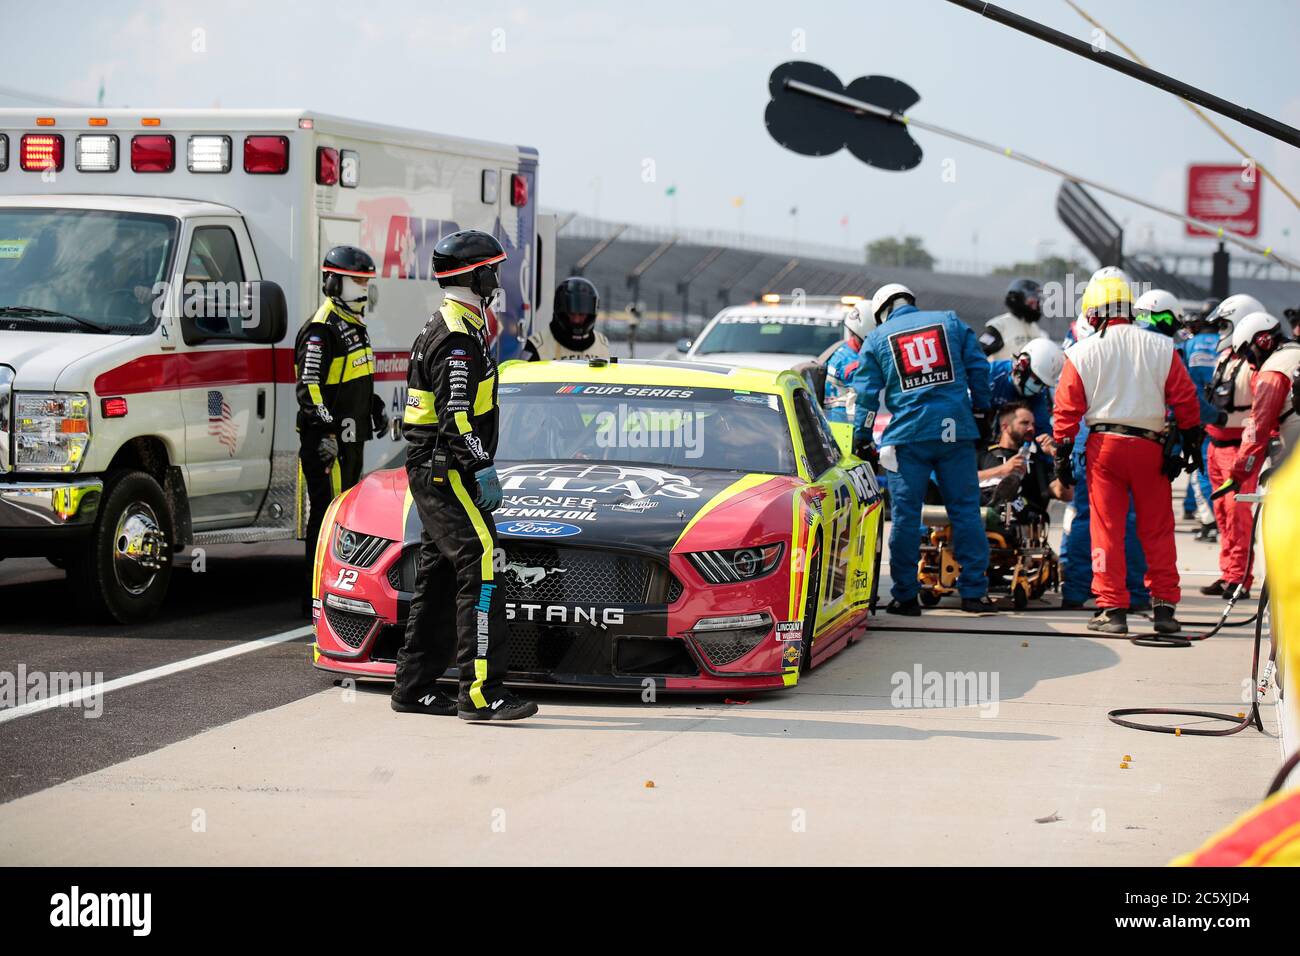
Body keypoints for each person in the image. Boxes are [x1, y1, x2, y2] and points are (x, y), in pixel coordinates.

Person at [392, 229, 537, 722]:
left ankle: (413, 688)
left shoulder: (457, 324)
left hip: (435, 466)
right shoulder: (457, 336)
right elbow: (455, 417)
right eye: (493, 269)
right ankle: (481, 694)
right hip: (446, 468)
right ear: (475, 275)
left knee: (437, 573)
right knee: (483, 561)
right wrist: (482, 466)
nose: (497, 277)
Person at [1053, 271, 1202, 635]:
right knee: (1158, 529)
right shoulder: (1161, 347)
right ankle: (1165, 608)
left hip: (1105, 447)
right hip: (1151, 446)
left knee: (1107, 528)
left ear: (1093, 311)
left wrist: (1061, 456)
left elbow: (1066, 410)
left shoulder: (1081, 351)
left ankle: (1111, 610)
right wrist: (1189, 444)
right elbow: (1185, 399)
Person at [849, 282, 994, 615]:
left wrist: (862, 436)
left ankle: (905, 596)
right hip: (955, 432)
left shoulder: (877, 337)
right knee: (966, 511)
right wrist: (983, 413)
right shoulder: (950, 321)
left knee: (904, 518)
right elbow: (978, 367)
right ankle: (974, 594)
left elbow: (867, 394)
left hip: (908, 438)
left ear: (882, 311)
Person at [295, 245, 387, 612]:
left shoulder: (355, 324)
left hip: (352, 441)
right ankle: (316, 598)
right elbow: (310, 388)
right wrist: (327, 431)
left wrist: (372, 406)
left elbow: (351, 381)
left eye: (367, 279)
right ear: (334, 281)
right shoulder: (322, 329)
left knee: (345, 519)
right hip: (328, 445)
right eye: (357, 279)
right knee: (327, 518)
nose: (364, 286)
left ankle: (337, 594)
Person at [1217, 312, 1300, 600]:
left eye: (1249, 355)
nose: (1250, 364)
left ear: (1262, 342)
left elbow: (1257, 428)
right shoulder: (1295, 356)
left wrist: (1238, 475)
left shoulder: (1273, 371)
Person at [1200, 294, 1266, 599]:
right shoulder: (1226, 358)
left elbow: (1260, 412)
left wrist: (1248, 453)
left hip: (1238, 449)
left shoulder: (1254, 368)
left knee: (1237, 515)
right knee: (1223, 515)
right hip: (1216, 446)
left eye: (1225, 324)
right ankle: (1228, 572)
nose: (1220, 330)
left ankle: (1240, 577)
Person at [1175, 302, 1224, 538]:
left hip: (1194, 413)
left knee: (1201, 470)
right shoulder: (1226, 344)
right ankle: (1224, 519)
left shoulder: (1187, 345)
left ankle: (1210, 522)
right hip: (1224, 414)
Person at [978, 402, 1069, 521]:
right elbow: (960, 481)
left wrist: (1059, 458)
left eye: (1033, 424)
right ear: (1005, 427)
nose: (1031, 428)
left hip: (1023, 530)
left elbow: (1066, 494)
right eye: (1024, 423)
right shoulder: (983, 455)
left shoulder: (1036, 462)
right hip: (986, 527)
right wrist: (1002, 470)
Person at [522, 276, 610, 361]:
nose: (576, 320)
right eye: (571, 314)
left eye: (581, 315)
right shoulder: (537, 345)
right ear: (560, 311)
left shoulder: (602, 345)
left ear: (591, 314)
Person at [988, 338, 1064, 435]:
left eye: (1043, 385)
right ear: (1023, 366)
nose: (1039, 388)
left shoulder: (1038, 394)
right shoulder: (992, 374)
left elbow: (1042, 427)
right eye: (1037, 380)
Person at [825, 299, 875, 424]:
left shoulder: (842, 350)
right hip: (846, 425)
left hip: (833, 419)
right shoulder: (854, 364)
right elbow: (867, 398)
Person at [980, 278, 1049, 361]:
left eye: (1037, 299)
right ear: (1017, 298)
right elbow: (978, 355)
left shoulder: (1034, 328)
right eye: (1032, 299)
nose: (1036, 304)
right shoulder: (999, 326)